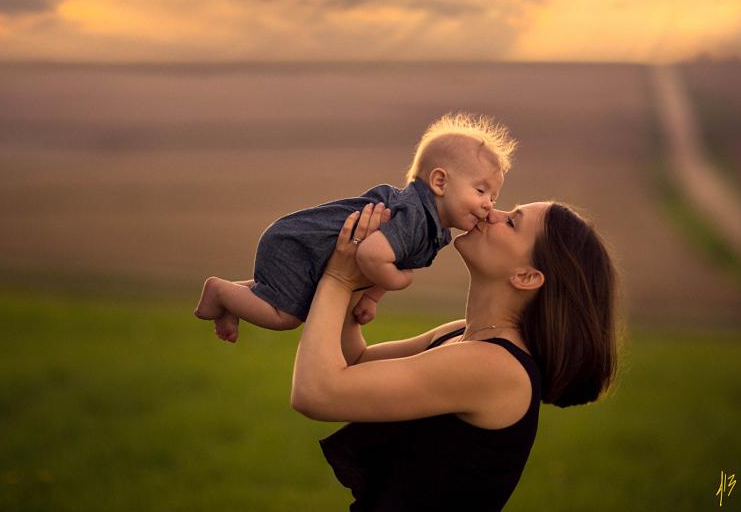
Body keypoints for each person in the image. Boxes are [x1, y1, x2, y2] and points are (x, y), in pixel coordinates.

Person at [292, 200, 619, 512]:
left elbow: (316, 392)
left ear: (526, 276)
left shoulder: (494, 367)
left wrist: (337, 278)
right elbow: (357, 362)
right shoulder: (462, 335)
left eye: (512, 223)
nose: (492, 212)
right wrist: (358, 277)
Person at [194, 113, 517, 342]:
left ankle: (232, 299)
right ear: (439, 181)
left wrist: (371, 299)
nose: (489, 203)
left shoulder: (433, 230)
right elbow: (373, 256)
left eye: (493, 196)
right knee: (287, 316)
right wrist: (399, 281)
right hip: (299, 246)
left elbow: (393, 256)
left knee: (284, 293)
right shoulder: (415, 217)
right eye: (480, 191)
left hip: (301, 249)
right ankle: (221, 291)